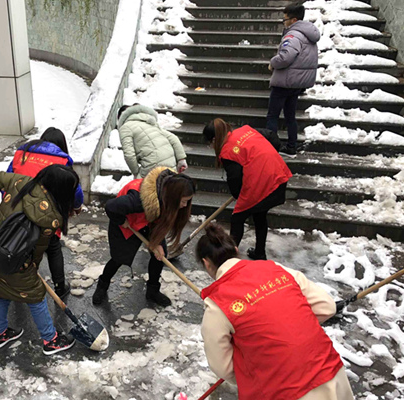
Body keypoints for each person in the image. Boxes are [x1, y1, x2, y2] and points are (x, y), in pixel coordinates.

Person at [196, 223, 354, 400]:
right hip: (332, 376)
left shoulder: (218, 303)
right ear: (235, 249)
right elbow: (327, 306)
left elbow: (223, 367)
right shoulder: (276, 269)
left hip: (280, 390)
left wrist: (251, 359)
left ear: (206, 263)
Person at [0, 164, 78, 355]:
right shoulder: (52, 217)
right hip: (15, 260)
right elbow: (38, 249)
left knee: (2, 288)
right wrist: (31, 267)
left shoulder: (20, 182)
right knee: (35, 295)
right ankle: (51, 340)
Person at [92, 167, 195, 307]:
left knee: (159, 256)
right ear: (174, 196)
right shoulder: (137, 200)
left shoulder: (166, 193)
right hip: (126, 220)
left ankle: (153, 291)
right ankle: (102, 285)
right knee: (118, 258)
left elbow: (159, 219)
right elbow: (111, 207)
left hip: (150, 221)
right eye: (184, 201)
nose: (185, 205)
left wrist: (156, 242)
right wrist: (122, 221)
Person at [6, 127, 84, 298]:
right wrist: (76, 206)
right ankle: (60, 286)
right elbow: (75, 191)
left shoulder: (22, 153)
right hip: (45, 212)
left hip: (18, 211)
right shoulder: (61, 161)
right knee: (53, 247)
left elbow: (8, 179)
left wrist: (9, 203)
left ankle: (17, 285)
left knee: (20, 247)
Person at [203, 119, 292, 260]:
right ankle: (260, 253)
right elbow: (271, 136)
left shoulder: (228, 151)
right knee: (259, 214)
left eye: (210, 143)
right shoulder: (245, 130)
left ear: (214, 139)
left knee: (237, 218)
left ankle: (229, 258)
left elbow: (235, 179)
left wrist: (238, 194)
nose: (211, 146)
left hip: (263, 181)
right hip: (277, 172)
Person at [267, 2, 320, 158]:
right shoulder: (309, 35)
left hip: (285, 82)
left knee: (272, 116)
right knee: (290, 116)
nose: (284, 22)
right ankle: (291, 147)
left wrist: (272, 62)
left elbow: (286, 57)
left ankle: (270, 149)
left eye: (285, 19)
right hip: (297, 83)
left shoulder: (293, 35)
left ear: (293, 19)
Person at [117, 104, 188, 178]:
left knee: (140, 187)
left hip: (152, 163)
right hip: (170, 161)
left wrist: (136, 173)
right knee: (169, 187)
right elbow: (173, 138)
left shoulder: (125, 127)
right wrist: (181, 159)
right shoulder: (149, 121)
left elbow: (129, 154)